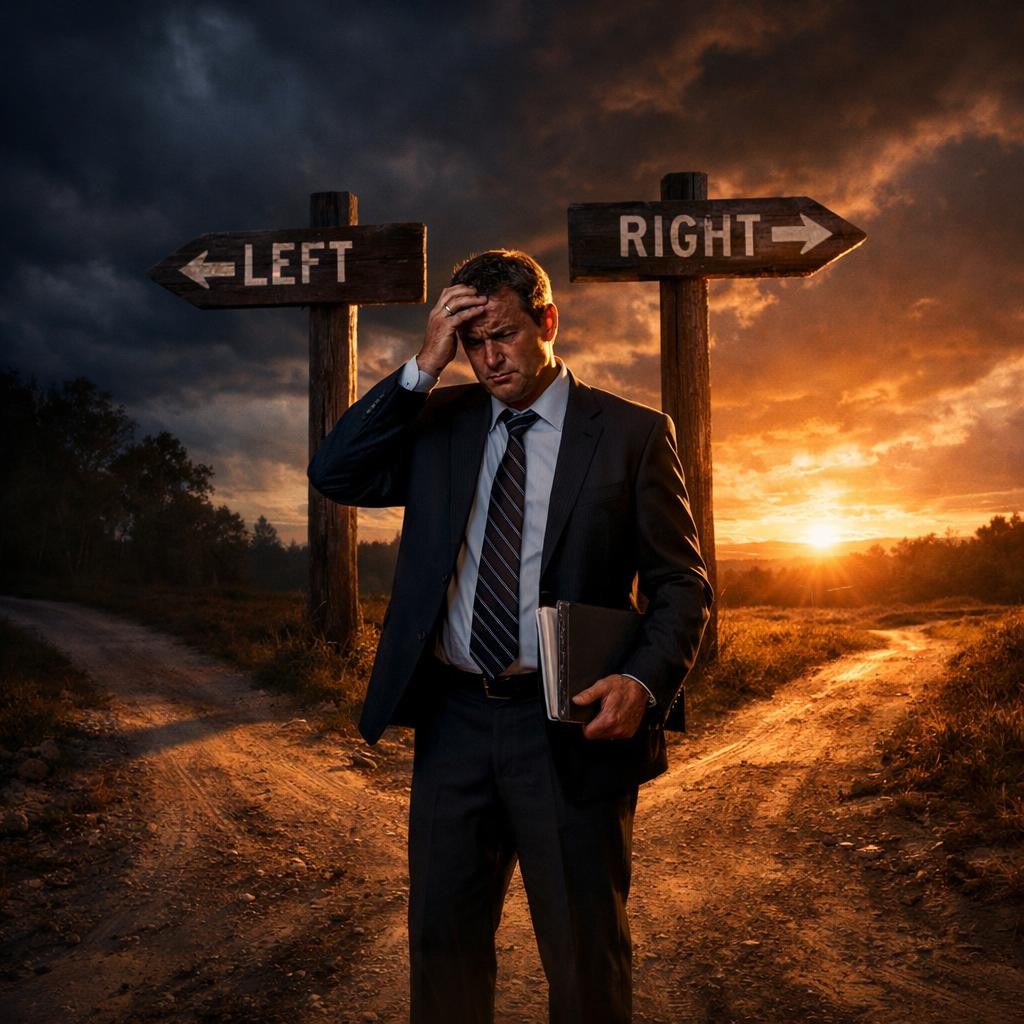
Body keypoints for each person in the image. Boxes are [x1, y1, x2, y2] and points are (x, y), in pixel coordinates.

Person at [308, 249, 712, 1024]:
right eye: (472, 342)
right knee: (442, 943)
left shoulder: (631, 434)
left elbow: (682, 586)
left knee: (584, 954)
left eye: (505, 335)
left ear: (547, 322)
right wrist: (423, 367)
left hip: (569, 727)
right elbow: (335, 474)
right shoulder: (438, 424)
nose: (489, 357)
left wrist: (642, 682)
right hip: (453, 719)